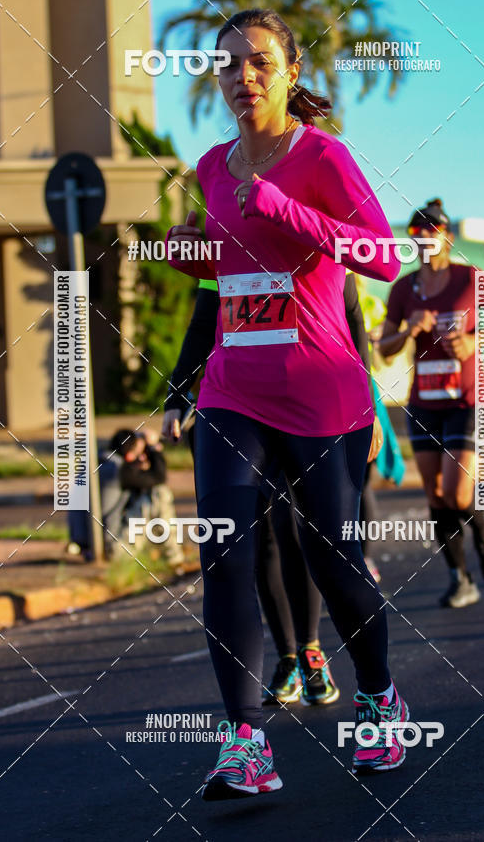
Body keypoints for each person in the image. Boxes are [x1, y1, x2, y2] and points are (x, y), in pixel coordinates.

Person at [165, 8, 408, 800]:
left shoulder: (324, 158)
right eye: (229, 63)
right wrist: (188, 256)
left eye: (260, 62)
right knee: (225, 559)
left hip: (322, 394)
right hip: (234, 392)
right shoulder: (208, 166)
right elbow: (221, 283)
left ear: (291, 73)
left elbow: (381, 254)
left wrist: (283, 208)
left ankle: (379, 698)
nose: (243, 77)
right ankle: (244, 744)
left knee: (334, 565)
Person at [163, 273, 383, 708]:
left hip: (310, 411)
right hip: (237, 409)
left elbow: (354, 323)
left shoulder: (319, 230)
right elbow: (205, 320)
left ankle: (312, 650)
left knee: (302, 537)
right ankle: (285, 660)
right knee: (251, 544)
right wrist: (176, 395)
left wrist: (367, 403)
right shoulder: (223, 236)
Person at [378, 198, 484, 607]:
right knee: (435, 494)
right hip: (423, 401)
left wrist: (476, 339)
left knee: (458, 495)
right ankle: (461, 578)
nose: (424, 242)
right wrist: (407, 332)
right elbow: (386, 350)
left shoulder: (469, 278)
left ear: (446, 237)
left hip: (466, 398)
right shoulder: (403, 289)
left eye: (432, 234)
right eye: (417, 236)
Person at [99, 428, 178, 561]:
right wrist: (154, 448)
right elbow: (159, 477)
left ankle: (158, 552)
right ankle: (173, 558)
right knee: (158, 493)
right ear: (129, 455)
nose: (143, 457)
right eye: (140, 452)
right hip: (115, 549)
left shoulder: (100, 463)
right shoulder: (119, 471)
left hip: (90, 546)